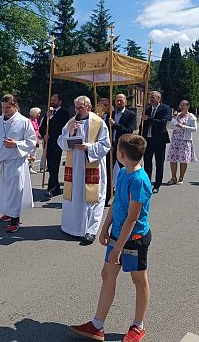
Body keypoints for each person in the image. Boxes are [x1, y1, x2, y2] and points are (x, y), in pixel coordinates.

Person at [70, 134, 152, 342]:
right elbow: (116, 203)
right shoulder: (124, 172)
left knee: (138, 279)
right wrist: (105, 227)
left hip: (134, 239)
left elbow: (132, 219)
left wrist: (118, 248)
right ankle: (97, 324)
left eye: (117, 150)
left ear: (122, 154)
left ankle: (138, 325)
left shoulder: (139, 181)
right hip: (117, 235)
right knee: (107, 274)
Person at [0, 94, 36, 233]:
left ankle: (15, 220)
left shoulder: (24, 122)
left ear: (15, 106)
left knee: (14, 192)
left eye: (8, 107)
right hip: (1, 164)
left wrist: (16, 144)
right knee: (3, 192)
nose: (5, 110)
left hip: (15, 163)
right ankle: (9, 212)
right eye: (3, 107)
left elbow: (32, 142)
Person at [57, 96, 110, 245]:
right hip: (74, 166)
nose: (77, 110)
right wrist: (70, 134)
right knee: (74, 196)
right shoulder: (71, 123)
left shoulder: (99, 123)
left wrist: (89, 147)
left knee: (93, 198)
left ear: (89, 107)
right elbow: (60, 142)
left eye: (80, 107)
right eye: (76, 107)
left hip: (91, 164)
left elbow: (106, 145)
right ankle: (71, 227)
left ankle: (90, 231)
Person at [105, 94, 137, 206]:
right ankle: (107, 196)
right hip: (111, 147)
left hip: (123, 148)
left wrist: (115, 125)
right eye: (117, 100)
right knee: (108, 172)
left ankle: (127, 196)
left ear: (125, 102)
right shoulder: (111, 114)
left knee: (126, 171)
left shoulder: (131, 115)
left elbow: (129, 131)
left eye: (121, 101)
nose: (118, 103)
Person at [39, 94, 69, 198]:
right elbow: (42, 128)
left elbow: (61, 127)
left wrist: (51, 117)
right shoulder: (48, 113)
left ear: (60, 102)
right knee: (50, 166)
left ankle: (51, 187)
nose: (52, 102)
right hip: (48, 143)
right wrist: (44, 135)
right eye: (52, 100)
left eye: (55, 100)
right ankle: (56, 187)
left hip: (57, 143)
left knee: (54, 165)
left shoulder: (64, 113)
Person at [142, 91, 171, 194]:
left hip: (159, 140)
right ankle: (147, 183)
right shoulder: (147, 109)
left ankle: (157, 185)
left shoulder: (165, 109)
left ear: (159, 98)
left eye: (153, 98)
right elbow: (143, 124)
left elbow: (162, 123)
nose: (151, 99)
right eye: (150, 98)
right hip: (148, 140)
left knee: (159, 163)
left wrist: (149, 119)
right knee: (147, 162)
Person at [166, 100, 197, 185]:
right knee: (173, 159)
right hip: (175, 140)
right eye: (181, 105)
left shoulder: (191, 117)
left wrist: (183, 126)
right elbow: (171, 125)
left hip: (185, 141)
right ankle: (173, 177)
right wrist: (174, 120)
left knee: (183, 160)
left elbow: (194, 129)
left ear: (188, 106)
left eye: (184, 105)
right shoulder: (177, 115)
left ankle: (181, 178)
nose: (182, 107)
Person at [28, 107, 42, 174]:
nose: (39, 115)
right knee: (30, 154)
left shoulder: (35, 120)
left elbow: (37, 130)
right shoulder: (29, 121)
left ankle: (30, 167)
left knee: (34, 154)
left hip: (36, 139)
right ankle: (28, 167)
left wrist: (39, 136)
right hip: (31, 140)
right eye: (38, 113)